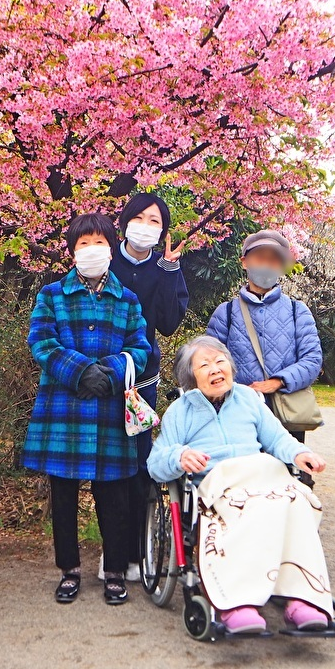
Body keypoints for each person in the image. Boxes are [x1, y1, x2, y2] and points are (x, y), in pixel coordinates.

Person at [147, 336, 333, 634]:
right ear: (190, 377)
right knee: (251, 508)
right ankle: (237, 603)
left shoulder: (248, 399)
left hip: (263, 474)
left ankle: (301, 597)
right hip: (218, 483)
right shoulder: (180, 412)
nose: (216, 369)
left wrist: (300, 453)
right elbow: (156, 462)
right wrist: (180, 456)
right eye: (205, 365)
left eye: (221, 361)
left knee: (297, 500)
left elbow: (277, 438)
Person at [22, 213, 151, 605]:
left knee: (114, 494)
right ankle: (69, 570)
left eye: (98, 242)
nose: (91, 249)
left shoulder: (127, 299)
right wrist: (80, 373)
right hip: (65, 408)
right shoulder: (51, 295)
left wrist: (109, 373)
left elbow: (141, 347)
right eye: (83, 243)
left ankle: (114, 571)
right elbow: (41, 342)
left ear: (111, 248)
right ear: (72, 250)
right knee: (62, 494)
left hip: (110, 409)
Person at [108, 193, 189, 580]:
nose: (145, 225)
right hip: (102, 377)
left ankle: (140, 552)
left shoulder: (164, 267)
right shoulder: (103, 260)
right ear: (123, 222)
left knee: (140, 464)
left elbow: (170, 323)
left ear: (163, 230)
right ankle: (114, 554)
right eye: (138, 217)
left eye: (155, 220)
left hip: (143, 383)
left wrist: (171, 271)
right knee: (108, 466)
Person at [205, 229, 322, 480]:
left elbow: (312, 359)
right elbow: (209, 361)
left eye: (274, 259)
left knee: (288, 481)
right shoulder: (225, 313)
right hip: (237, 412)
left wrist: (278, 382)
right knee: (240, 480)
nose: (266, 265)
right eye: (260, 258)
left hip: (284, 412)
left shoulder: (296, 311)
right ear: (244, 262)